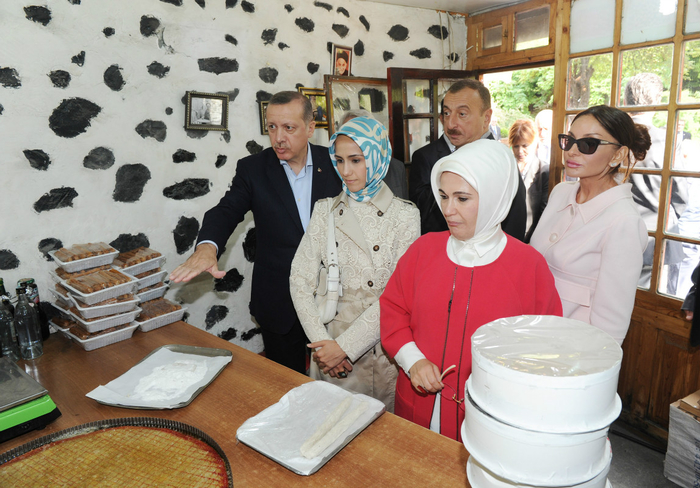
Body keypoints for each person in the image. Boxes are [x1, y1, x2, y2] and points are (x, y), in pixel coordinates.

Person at [381, 140, 562, 441]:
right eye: (443, 196)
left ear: (494, 197)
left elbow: (544, 346)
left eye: (462, 198)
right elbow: (393, 310)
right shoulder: (423, 249)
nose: (448, 210)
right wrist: (412, 360)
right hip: (418, 404)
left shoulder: (528, 266)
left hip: (490, 416)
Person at [170, 91, 342, 374]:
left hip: (334, 296)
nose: (278, 138)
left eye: (289, 127)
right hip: (280, 300)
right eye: (272, 127)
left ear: (310, 127)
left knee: (337, 381)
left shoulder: (336, 164)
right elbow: (226, 211)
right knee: (285, 381)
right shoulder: (253, 169)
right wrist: (207, 247)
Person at [290, 117, 420, 411]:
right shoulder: (324, 210)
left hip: (379, 345)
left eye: (356, 160)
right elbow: (299, 279)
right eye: (339, 160)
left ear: (377, 158)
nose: (345, 171)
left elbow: (397, 296)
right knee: (328, 422)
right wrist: (324, 346)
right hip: (328, 342)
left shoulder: (405, 216)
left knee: (378, 430)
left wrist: (345, 348)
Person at [530, 105, 650, 345]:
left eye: (588, 144)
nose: (572, 151)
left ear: (617, 155)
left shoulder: (623, 221)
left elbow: (611, 326)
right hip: (532, 331)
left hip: (573, 349)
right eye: (569, 140)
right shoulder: (561, 192)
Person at [408, 79, 527, 240]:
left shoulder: (500, 161)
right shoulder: (435, 156)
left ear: (486, 118)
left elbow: (514, 224)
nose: (451, 124)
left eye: (462, 114)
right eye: (447, 113)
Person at [624, 73, 688, 295]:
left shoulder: (614, 139)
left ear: (625, 100)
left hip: (619, 230)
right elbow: (681, 194)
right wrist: (668, 219)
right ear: (658, 100)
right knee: (654, 304)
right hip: (659, 235)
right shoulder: (668, 140)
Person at [342, 109, 409, 199]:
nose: (353, 139)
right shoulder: (333, 169)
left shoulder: (395, 167)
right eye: (347, 133)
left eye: (360, 132)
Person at [509, 119, 549, 242]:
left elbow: (544, 214)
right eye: (516, 146)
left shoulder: (544, 171)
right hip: (505, 238)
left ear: (535, 143)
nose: (520, 151)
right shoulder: (506, 168)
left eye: (525, 145)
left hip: (531, 240)